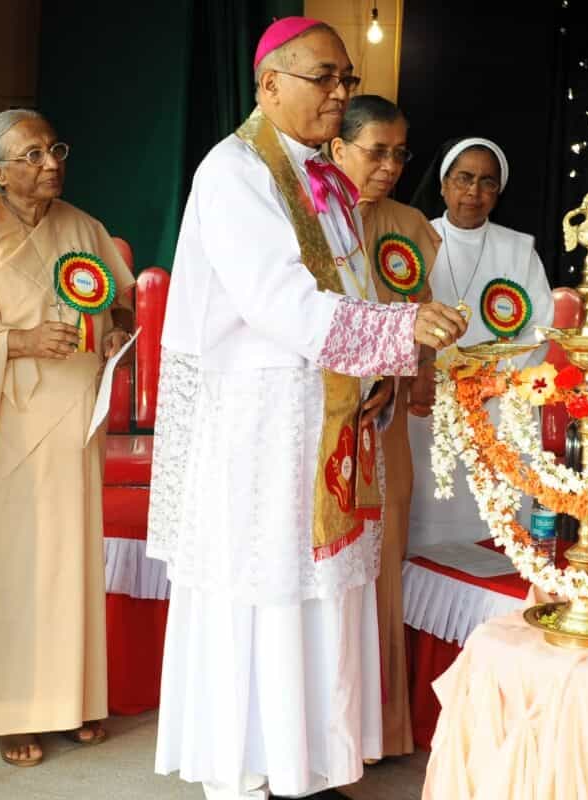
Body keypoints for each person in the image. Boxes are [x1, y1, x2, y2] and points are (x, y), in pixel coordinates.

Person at [147, 19, 467, 800]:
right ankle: (250, 772)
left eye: (346, 80)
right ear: (269, 84)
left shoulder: (321, 175)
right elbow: (275, 300)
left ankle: (309, 768)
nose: (340, 94)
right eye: (324, 77)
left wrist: (389, 362)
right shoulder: (235, 172)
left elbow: (351, 286)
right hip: (261, 422)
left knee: (324, 595)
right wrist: (393, 331)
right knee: (268, 591)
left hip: (323, 418)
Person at [0, 109, 135, 768]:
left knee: (70, 560)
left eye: (54, 149)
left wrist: (116, 329)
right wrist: (17, 342)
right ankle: (16, 710)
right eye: (31, 155)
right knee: (16, 566)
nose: (50, 164)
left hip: (73, 416)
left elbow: (123, 302)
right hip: (8, 418)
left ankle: (73, 700)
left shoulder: (82, 225)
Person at [326, 93, 439, 760]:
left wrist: (402, 378)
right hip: (325, 428)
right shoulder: (310, 220)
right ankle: (326, 734)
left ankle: (380, 731)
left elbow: (422, 322)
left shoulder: (409, 223)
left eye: (401, 152)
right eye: (378, 150)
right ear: (337, 149)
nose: (392, 164)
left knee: (383, 570)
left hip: (384, 423)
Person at [406, 137, 555, 552]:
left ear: (498, 192)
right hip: (429, 393)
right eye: (464, 178)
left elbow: (541, 323)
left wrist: (496, 378)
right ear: (443, 184)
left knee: (495, 507)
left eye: (487, 182)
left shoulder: (518, 248)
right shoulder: (415, 237)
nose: (473, 192)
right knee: (429, 495)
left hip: (496, 394)